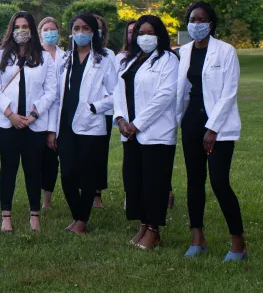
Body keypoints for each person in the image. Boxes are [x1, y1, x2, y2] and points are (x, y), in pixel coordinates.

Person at [176, 2, 247, 261]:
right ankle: (197, 238)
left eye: (201, 19)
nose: (196, 24)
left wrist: (213, 129)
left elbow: (229, 93)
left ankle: (238, 242)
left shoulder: (226, 51)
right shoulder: (183, 52)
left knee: (219, 183)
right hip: (191, 122)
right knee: (194, 181)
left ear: (211, 23)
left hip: (219, 127)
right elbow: (180, 91)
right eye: (192, 19)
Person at [47, 13, 118, 234]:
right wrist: (52, 129)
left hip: (91, 124)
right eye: (76, 28)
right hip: (66, 124)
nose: (80, 33)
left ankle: (82, 220)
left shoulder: (105, 57)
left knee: (88, 174)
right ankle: (77, 216)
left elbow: (117, 93)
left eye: (86, 28)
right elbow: (57, 95)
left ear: (94, 32)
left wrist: (95, 108)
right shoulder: (65, 58)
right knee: (67, 174)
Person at [114, 15, 179, 251]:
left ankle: (154, 230)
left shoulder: (168, 60)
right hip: (130, 133)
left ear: (159, 34)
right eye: (140, 33)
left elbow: (164, 95)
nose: (144, 37)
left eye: (150, 32)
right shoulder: (128, 61)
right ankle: (142, 225)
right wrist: (121, 119)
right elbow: (118, 92)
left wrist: (137, 124)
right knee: (135, 182)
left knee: (154, 183)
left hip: (155, 133)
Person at [0, 12, 57, 233]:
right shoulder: (1, 55)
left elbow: (51, 90)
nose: (21, 31)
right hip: (6, 123)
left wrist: (34, 115)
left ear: (32, 30)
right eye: (17, 26)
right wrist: (10, 114)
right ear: (11, 29)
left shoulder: (44, 57)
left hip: (34, 123)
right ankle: (6, 216)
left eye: (25, 26)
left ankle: (34, 215)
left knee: (32, 169)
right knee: (8, 168)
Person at [91, 14, 117, 210]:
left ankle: (97, 194)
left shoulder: (109, 55)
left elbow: (113, 87)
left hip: (103, 112)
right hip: (79, 114)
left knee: (99, 155)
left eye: (99, 28)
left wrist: (101, 105)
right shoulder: (72, 53)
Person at [37, 16, 64, 210]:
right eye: (45, 29)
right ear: (40, 34)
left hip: (63, 115)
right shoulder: (35, 56)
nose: (49, 32)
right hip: (39, 115)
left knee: (54, 160)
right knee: (42, 160)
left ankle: (47, 201)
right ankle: (37, 199)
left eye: (52, 29)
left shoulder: (66, 57)